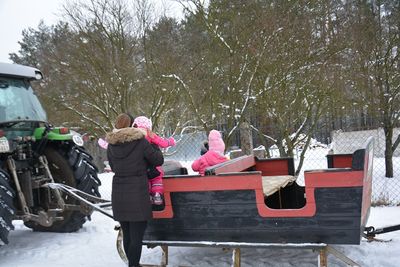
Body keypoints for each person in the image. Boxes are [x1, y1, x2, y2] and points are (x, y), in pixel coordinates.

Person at [106, 113, 164, 267]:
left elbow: (113, 167)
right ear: (132, 125)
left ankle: (133, 264)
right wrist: (153, 143)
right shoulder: (140, 142)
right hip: (137, 191)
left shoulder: (111, 145)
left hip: (119, 192)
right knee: (137, 235)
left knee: (127, 234)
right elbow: (158, 160)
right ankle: (133, 265)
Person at [133, 116, 175, 205]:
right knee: (156, 179)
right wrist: (171, 141)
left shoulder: (134, 138)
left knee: (146, 180)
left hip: (142, 166)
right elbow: (163, 143)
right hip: (154, 165)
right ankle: (157, 194)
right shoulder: (152, 135)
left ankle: (147, 196)